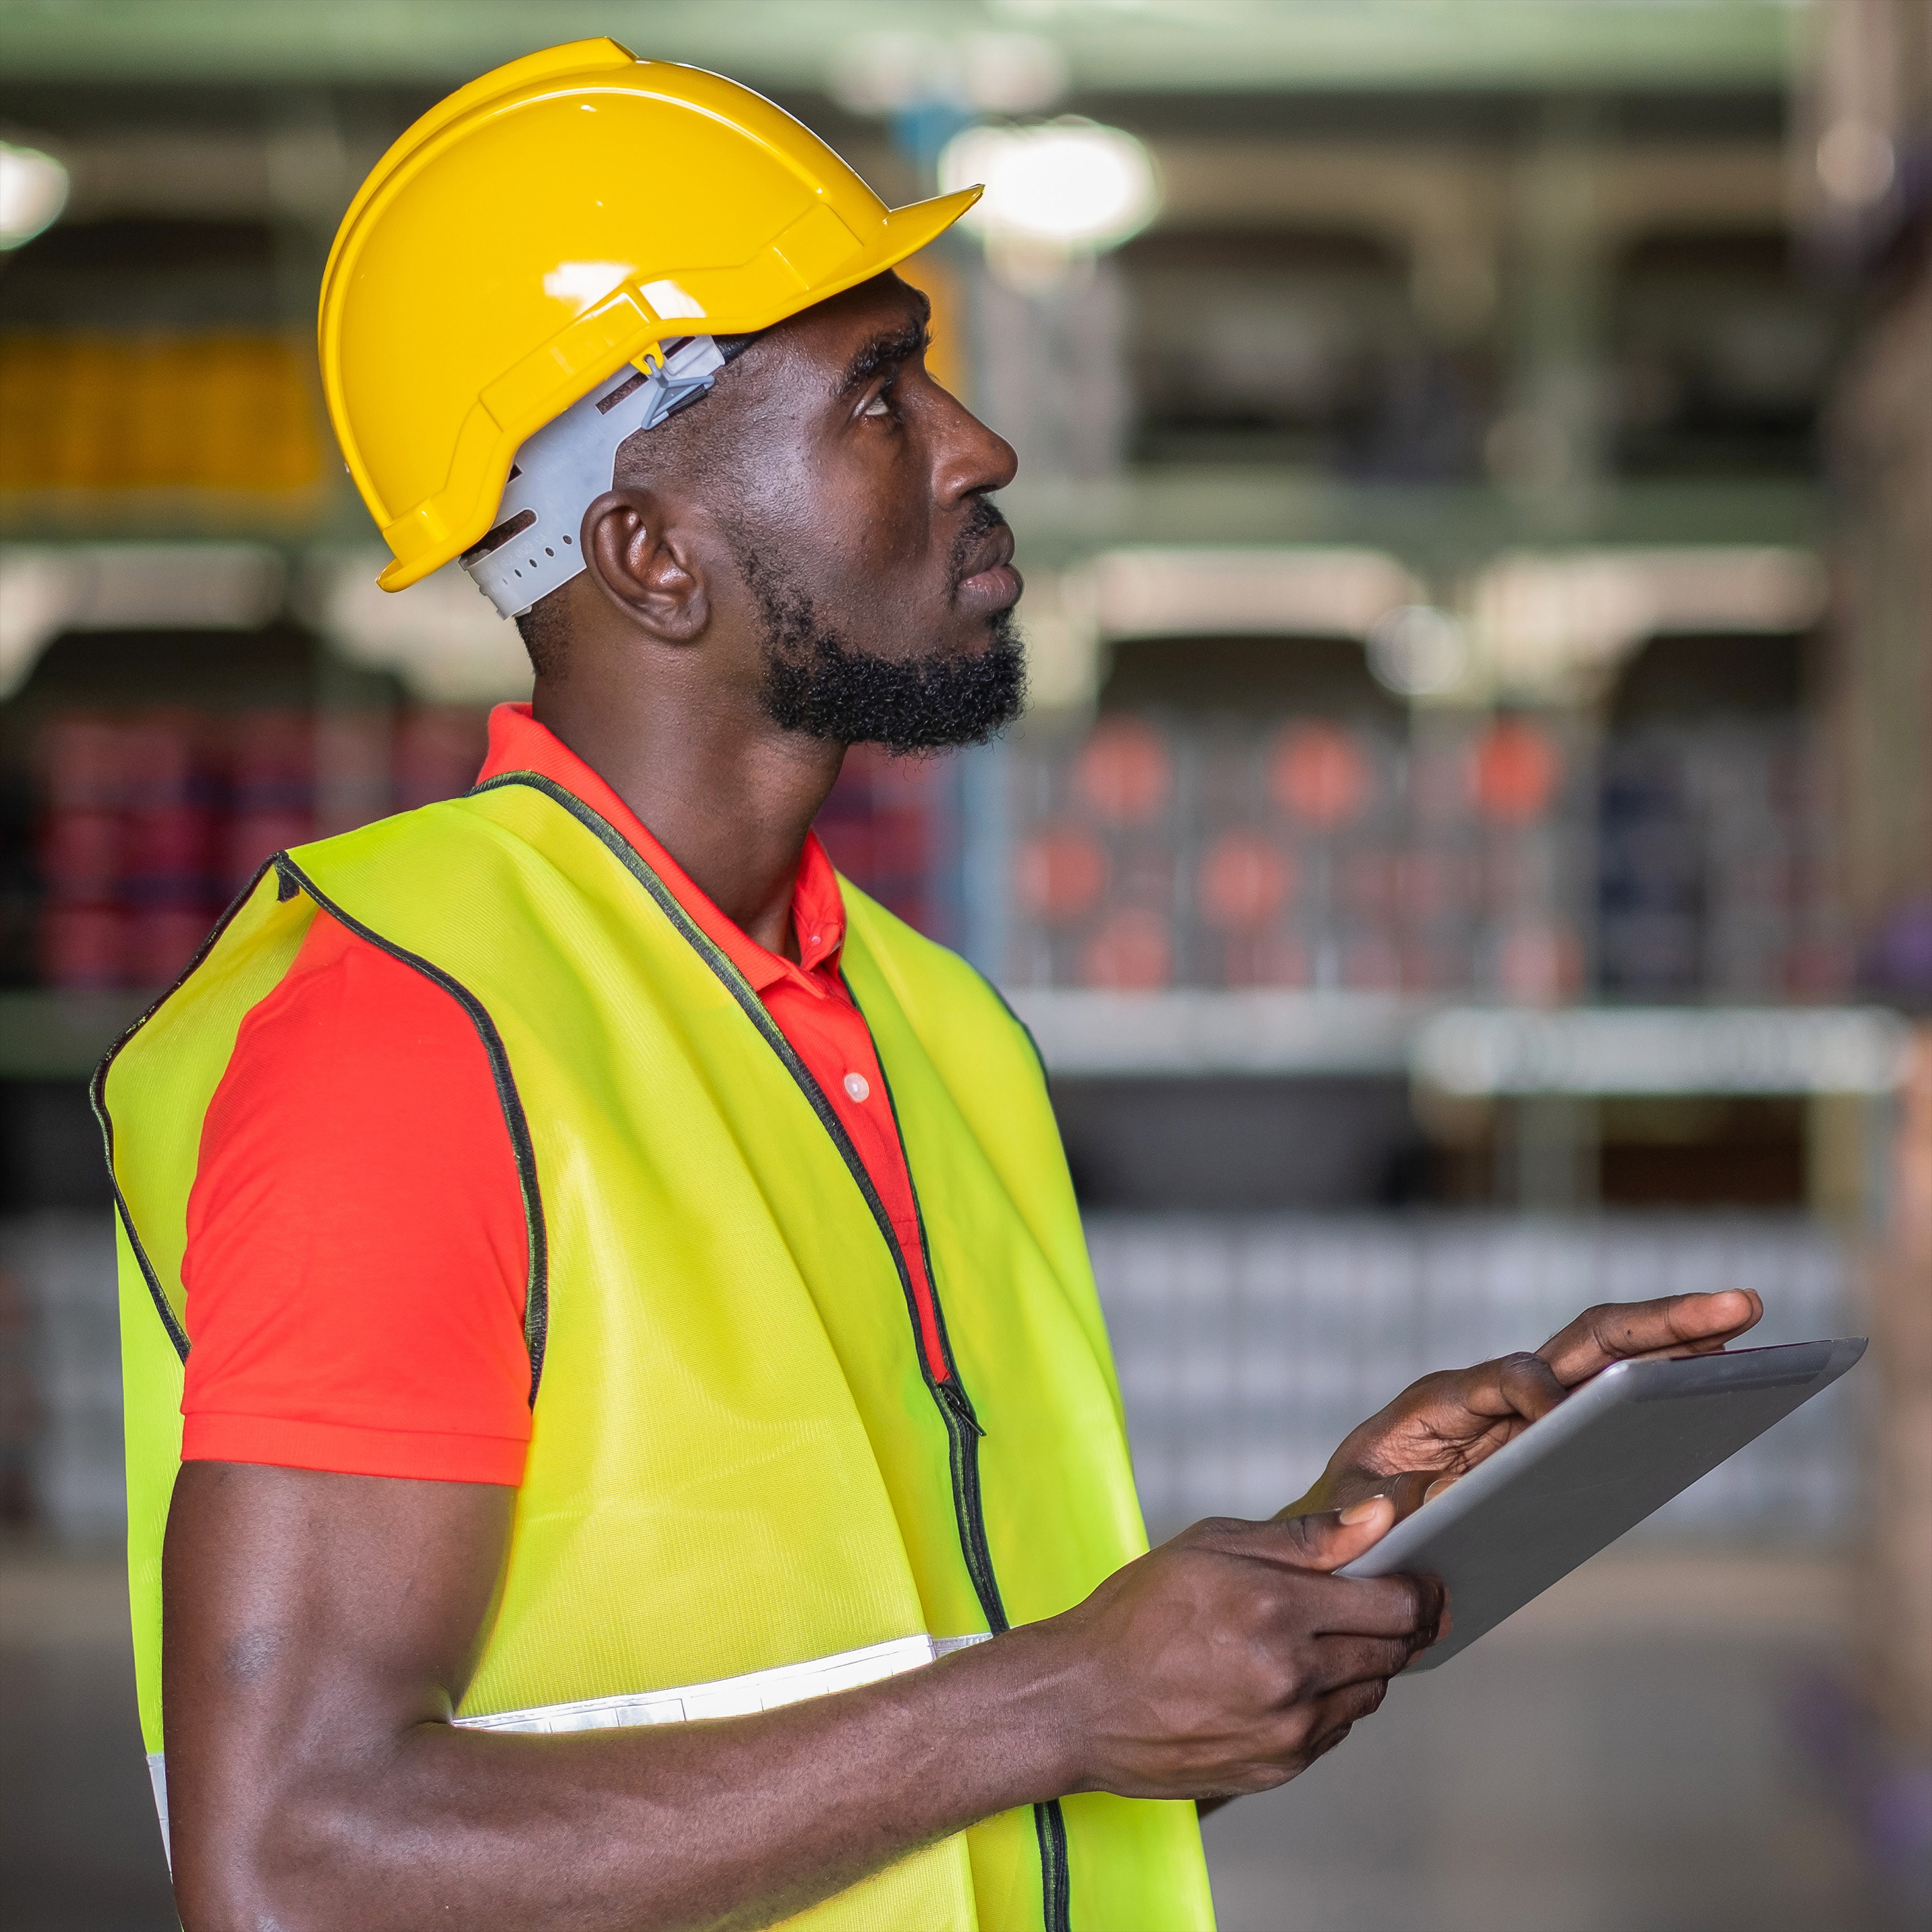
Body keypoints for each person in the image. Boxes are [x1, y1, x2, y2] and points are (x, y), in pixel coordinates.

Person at [101, 42, 1765, 1932]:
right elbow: (297, 1867)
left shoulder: (931, 1026)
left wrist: (1285, 1585)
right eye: (879, 392)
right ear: (650, 552)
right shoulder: (409, 1034)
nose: (981, 445)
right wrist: (1062, 1698)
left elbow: (940, 1761)